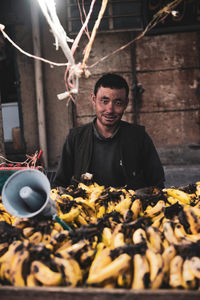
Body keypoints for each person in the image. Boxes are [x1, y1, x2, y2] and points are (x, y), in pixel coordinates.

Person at [53, 73, 165, 190]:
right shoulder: (76, 138)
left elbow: (157, 183)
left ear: (126, 104)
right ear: (94, 99)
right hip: (86, 206)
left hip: (129, 206)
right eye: (104, 101)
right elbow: (59, 184)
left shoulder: (138, 137)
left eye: (118, 103)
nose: (110, 110)